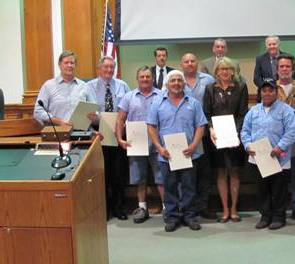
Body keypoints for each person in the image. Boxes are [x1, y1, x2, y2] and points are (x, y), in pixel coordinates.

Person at [147, 70, 207, 232]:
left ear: (183, 84)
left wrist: (194, 145)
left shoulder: (193, 103)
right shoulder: (158, 103)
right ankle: (172, 217)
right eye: (172, 80)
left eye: (179, 81)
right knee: (170, 186)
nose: (176, 83)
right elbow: (151, 126)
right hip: (166, 155)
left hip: (189, 153)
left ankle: (189, 216)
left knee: (189, 186)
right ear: (167, 84)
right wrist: (159, 147)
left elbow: (200, 126)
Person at [241, 80, 295, 230]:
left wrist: (280, 147)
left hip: (279, 157)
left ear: (276, 92)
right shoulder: (253, 111)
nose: (267, 93)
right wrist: (247, 145)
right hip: (259, 159)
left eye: (270, 90)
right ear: (260, 92)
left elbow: (291, 131)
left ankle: (279, 217)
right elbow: (245, 131)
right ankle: (265, 216)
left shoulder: (286, 110)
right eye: (264, 90)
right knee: (262, 188)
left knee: (279, 189)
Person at [115, 66, 164, 224]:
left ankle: (167, 207)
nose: (145, 79)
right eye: (142, 76)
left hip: (158, 143)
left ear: (152, 78)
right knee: (139, 178)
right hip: (136, 143)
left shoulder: (162, 95)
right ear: (137, 79)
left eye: (148, 76)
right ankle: (142, 208)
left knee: (161, 177)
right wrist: (119, 138)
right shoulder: (129, 97)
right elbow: (120, 119)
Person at [203, 57, 248, 223]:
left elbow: (243, 112)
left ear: (233, 71)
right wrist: (211, 129)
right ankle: (225, 209)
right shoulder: (209, 89)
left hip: (235, 136)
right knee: (221, 172)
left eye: (228, 69)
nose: (225, 72)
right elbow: (206, 113)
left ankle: (234, 208)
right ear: (216, 72)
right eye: (221, 69)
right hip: (216, 138)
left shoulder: (241, 87)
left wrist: (234, 132)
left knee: (235, 171)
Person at [87, 56, 130, 220]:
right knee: (101, 172)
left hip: (119, 131)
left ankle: (119, 207)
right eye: (106, 67)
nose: (109, 70)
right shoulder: (88, 87)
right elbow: (86, 111)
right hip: (99, 132)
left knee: (119, 172)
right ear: (99, 69)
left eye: (112, 67)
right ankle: (104, 208)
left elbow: (128, 108)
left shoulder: (122, 85)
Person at [180, 53, 217, 220]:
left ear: (197, 63)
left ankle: (203, 205)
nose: (190, 64)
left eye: (192, 61)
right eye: (186, 62)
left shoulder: (208, 79)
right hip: (185, 133)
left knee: (205, 171)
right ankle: (189, 207)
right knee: (188, 172)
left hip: (206, 132)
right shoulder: (176, 80)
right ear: (182, 65)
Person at [275, 53, 295, 220]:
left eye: (287, 66)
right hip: (277, 139)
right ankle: (278, 205)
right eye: (281, 67)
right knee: (278, 174)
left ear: (292, 69)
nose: (285, 69)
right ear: (277, 69)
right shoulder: (270, 87)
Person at [34, 50, 95, 126]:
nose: (69, 65)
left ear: (75, 65)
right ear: (59, 65)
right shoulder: (48, 86)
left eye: (72, 63)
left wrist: (93, 114)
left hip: (80, 131)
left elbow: (94, 109)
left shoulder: (84, 86)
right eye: (66, 63)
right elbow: (38, 111)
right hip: (57, 131)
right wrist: (59, 121)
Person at [253, 35, 295, 100]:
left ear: (279, 45)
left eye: (274, 44)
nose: (272, 46)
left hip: (286, 94)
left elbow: (294, 76)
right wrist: (267, 88)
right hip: (266, 95)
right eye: (269, 44)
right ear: (266, 46)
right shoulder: (260, 59)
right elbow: (256, 78)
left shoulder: (289, 57)